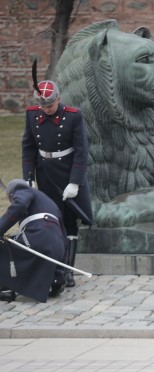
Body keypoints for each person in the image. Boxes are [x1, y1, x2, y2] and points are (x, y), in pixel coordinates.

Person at [22, 77, 92, 289]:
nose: (46, 110)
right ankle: (56, 268)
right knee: (53, 220)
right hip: (46, 173)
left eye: (50, 105)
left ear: (59, 99)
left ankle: (68, 271)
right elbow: (29, 146)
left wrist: (75, 182)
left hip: (68, 173)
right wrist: (28, 177)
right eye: (43, 105)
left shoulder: (73, 116)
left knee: (70, 222)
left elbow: (81, 150)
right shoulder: (32, 114)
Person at [0, 179, 67, 303]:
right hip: (57, 244)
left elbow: (19, 205)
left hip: (39, 237)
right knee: (22, 244)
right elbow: (63, 237)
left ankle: (6, 289)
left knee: (2, 244)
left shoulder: (21, 188)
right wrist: (60, 273)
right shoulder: (48, 202)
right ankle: (55, 281)